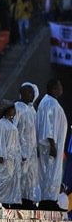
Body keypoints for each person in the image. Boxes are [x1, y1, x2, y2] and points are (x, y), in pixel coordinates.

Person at [36, 79, 68, 210]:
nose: (62, 88)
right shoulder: (51, 103)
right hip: (51, 146)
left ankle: (48, 200)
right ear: (54, 89)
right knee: (50, 172)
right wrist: (52, 145)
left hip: (49, 146)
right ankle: (49, 201)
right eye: (59, 86)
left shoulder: (47, 101)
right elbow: (49, 126)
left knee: (47, 173)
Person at [15, 82, 41, 209]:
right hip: (21, 151)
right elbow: (13, 130)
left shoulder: (32, 110)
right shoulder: (17, 107)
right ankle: (17, 202)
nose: (32, 94)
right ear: (22, 93)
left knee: (30, 178)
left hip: (31, 150)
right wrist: (19, 150)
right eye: (29, 92)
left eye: (32, 92)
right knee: (19, 178)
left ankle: (28, 201)